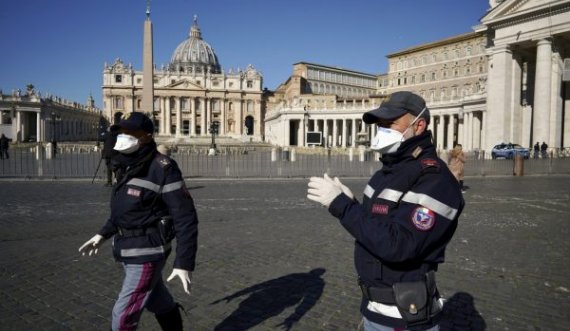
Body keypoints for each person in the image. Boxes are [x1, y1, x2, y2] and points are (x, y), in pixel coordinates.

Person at [307, 91, 464, 331]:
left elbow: (399, 245)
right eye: (380, 125)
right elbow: (376, 227)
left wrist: (342, 206)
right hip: (374, 308)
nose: (382, 131)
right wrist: (353, 203)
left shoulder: (435, 180)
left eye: (390, 124)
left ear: (419, 125)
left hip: (405, 316)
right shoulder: (385, 174)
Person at [78, 112, 199, 331]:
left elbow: (185, 217)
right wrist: (103, 234)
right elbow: (125, 211)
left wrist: (184, 262)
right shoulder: (125, 165)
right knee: (157, 300)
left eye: (130, 133)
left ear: (146, 137)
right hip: (126, 248)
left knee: (123, 315)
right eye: (121, 133)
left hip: (147, 252)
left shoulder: (162, 168)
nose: (123, 137)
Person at [101, 112, 123, 186]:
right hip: (116, 152)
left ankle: (109, 182)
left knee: (109, 167)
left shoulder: (109, 132)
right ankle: (118, 181)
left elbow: (102, 138)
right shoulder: (121, 131)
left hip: (108, 152)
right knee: (117, 167)